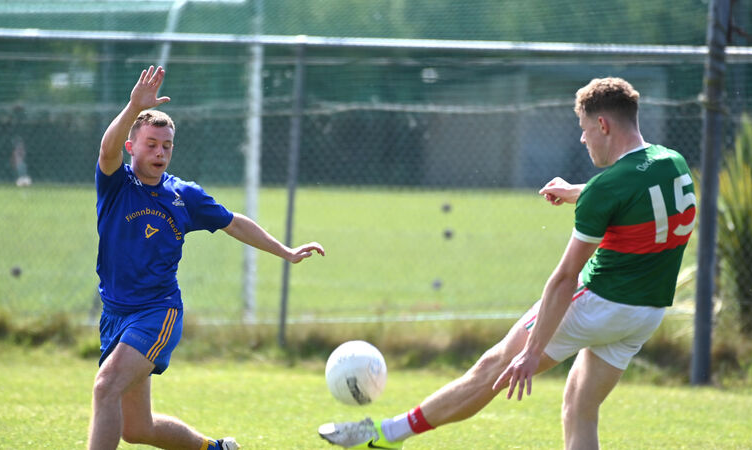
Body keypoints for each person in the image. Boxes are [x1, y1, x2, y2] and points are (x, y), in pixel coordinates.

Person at [318, 77, 696, 449]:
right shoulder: (671, 162)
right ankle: (388, 435)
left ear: (602, 124)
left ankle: (385, 435)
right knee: (579, 406)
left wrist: (531, 354)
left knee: (492, 368)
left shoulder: (607, 188)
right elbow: (633, 194)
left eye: (583, 129)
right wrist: (576, 192)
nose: (582, 139)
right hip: (644, 314)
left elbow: (564, 278)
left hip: (598, 303)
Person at [89, 66, 325, 450]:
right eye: (151, 144)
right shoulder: (116, 183)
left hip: (156, 312)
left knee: (106, 387)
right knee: (137, 429)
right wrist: (133, 107)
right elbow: (106, 149)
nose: (160, 152)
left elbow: (234, 223)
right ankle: (213, 449)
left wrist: (284, 250)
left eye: (166, 146)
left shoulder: (185, 196)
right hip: (115, 312)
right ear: (132, 147)